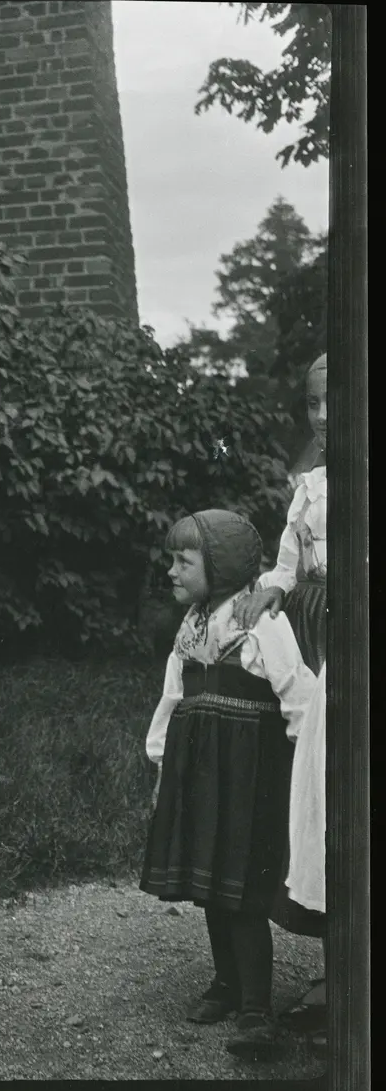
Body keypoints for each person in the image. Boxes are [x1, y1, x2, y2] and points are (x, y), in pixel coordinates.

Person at [140, 509, 317, 1061]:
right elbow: (173, 698)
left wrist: (306, 772)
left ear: (218, 568)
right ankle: (227, 984)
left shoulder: (262, 623)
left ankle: (256, 1010)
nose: (171, 571)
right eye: (172, 560)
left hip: (249, 776)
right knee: (211, 882)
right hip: (199, 771)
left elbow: (302, 699)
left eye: (183, 562)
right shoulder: (191, 627)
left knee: (242, 889)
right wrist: (163, 765)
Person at [234, 353, 327, 1050]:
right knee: (321, 800)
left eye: (337, 403)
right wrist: (270, 586)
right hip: (320, 640)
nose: (323, 417)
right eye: (313, 404)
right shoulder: (310, 486)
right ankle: (336, 966)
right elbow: (289, 566)